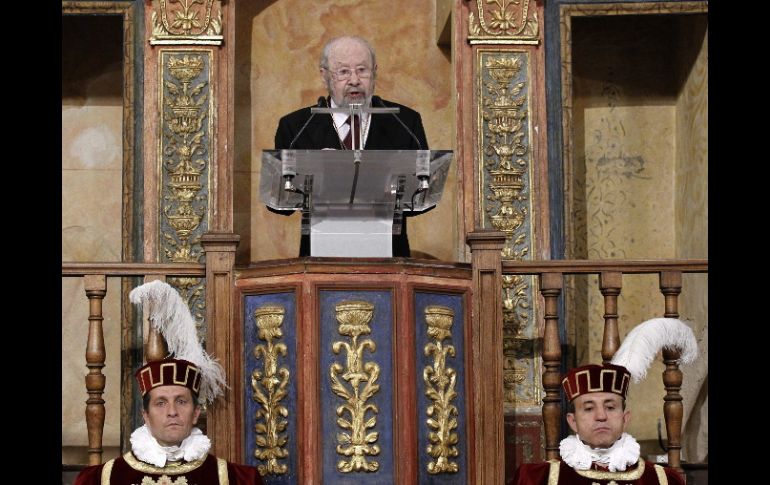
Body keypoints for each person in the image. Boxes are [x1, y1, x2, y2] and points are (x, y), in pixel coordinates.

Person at [74, 281, 265, 485]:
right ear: (145, 416)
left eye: (181, 401)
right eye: (161, 403)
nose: (172, 411)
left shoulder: (238, 479)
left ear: (196, 413)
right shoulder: (101, 479)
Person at [273, 36, 429, 257]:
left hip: (390, 259)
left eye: (362, 70)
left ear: (374, 72)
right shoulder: (297, 126)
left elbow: (424, 195)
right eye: (343, 72)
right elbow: (281, 203)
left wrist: (394, 189)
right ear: (324, 76)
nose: (354, 80)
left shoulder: (404, 122)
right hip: (320, 259)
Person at [513, 318, 698, 485]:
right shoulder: (536, 479)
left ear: (625, 418)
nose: (601, 416)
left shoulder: (662, 480)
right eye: (588, 408)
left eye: (610, 407)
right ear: (572, 421)